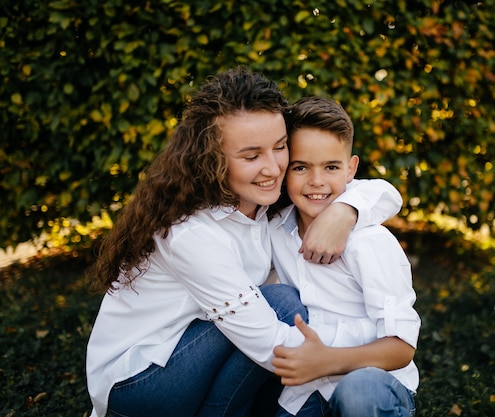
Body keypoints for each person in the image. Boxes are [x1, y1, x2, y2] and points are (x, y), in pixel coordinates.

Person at [85, 67, 403, 417]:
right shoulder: (193, 233)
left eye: (280, 148)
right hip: (140, 385)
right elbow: (266, 341)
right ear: (213, 159)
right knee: (282, 305)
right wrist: (369, 351)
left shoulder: (264, 202)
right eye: (251, 156)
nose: (272, 168)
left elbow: (382, 191)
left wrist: (344, 211)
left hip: (199, 358)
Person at [268, 96, 420, 417]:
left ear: (351, 168)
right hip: (306, 389)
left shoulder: (369, 241)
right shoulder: (276, 229)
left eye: (331, 167)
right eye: (300, 167)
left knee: (359, 394)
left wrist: (326, 361)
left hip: (372, 383)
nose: (317, 181)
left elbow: (401, 347)